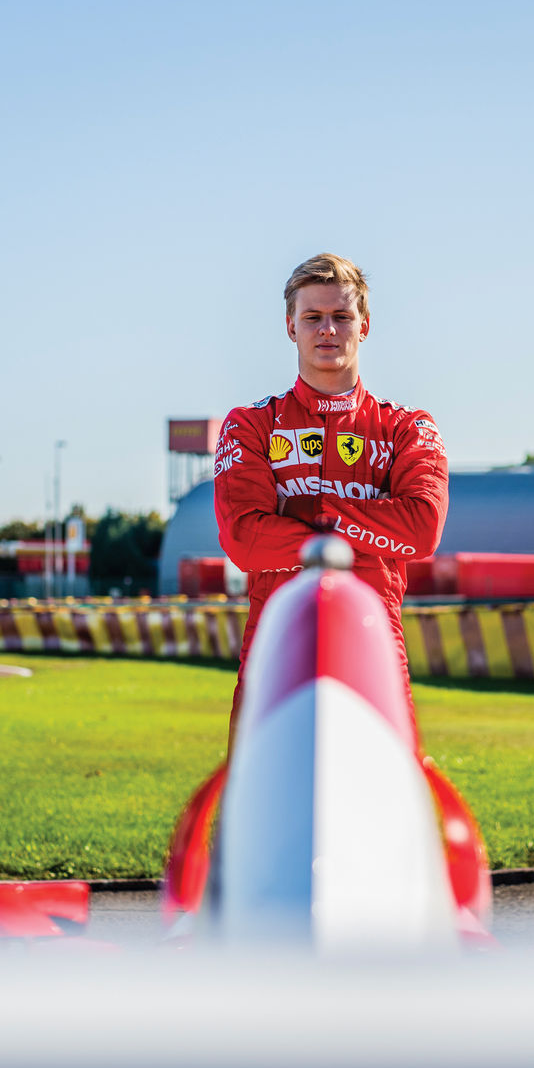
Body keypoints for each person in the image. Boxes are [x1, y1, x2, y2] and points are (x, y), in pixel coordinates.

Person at [213, 253, 449, 739]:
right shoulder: (250, 424)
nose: (327, 330)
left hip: (375, 644)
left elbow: (422, 530)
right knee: (253, 809)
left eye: (341, 317)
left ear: (364, 326)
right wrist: (371, 526)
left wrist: (301, 512)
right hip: (276, 643)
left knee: (386, 808)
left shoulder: (407, 427)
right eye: (313, 317)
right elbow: (244, 542)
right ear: (290, 327)